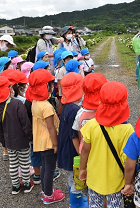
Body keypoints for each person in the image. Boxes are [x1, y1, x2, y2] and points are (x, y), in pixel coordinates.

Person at [79, 81, 134, 208]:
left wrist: (82, 168)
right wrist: (129, 182)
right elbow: (128, 161)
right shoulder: (127, 130)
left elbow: (85, 151)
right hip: (116, 182)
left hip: (94, 179)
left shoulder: (91, 125)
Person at [0, 76, 34, 194]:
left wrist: (4, 142)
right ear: (9, 89)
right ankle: (26, 184)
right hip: (22, 141)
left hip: (9, 142)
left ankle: (15, 186)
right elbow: (25, 123)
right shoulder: (18, 104)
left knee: (13, 164)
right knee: (24, 163)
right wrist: (30, 136)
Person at [29, 69, 65, 204]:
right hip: (49, 142)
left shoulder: (35, 102)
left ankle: (45, 191)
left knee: (45, 166)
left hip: (40, 141)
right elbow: (51, 127)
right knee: (50, 168)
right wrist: (56, 144)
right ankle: (49, 195)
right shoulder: (46, 106)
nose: (52, 87)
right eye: (50, 84)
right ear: (44, 87)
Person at [58, 72, 88, 207]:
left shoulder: (67, 105)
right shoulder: (75, 110)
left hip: (66, 148)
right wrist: (82, 157)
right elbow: (74, 135)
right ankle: (75, 204)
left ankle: (78, 200)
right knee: (75, 178)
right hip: (72, 152)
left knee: (73, 177)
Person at [72, 73, 108, 153]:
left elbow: (78, 134)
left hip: (86, 153)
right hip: (104, 153)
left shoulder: (80, 113)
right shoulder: (108, 112)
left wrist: (80, 152)